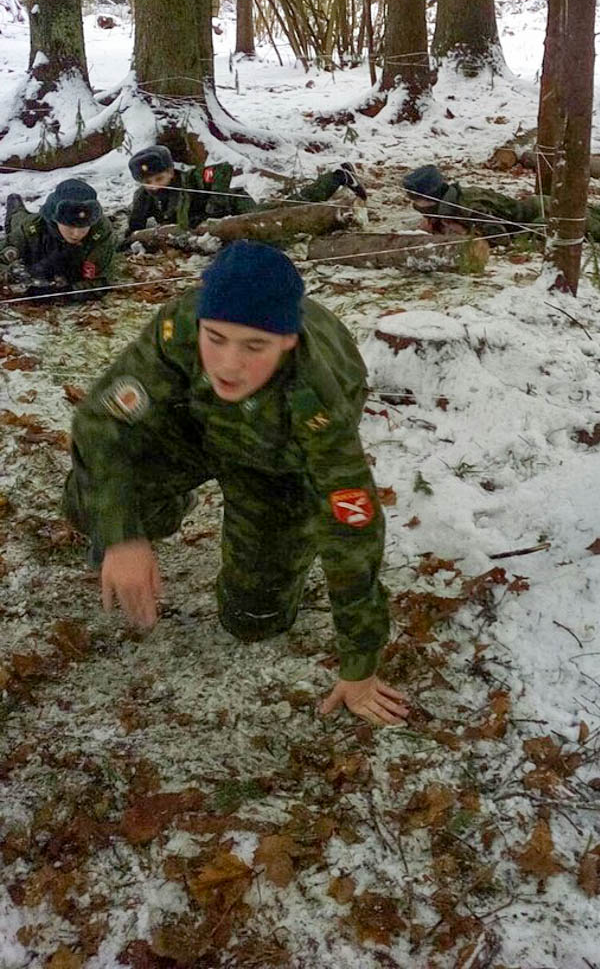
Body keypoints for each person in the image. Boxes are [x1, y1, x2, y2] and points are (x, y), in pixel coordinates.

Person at [62, 241, 407, 726]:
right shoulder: (180, 326)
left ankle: (267, 561)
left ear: (286, 342)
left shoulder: (318, 398)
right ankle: (163, 506)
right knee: (88, 503)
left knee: (254, 621)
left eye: (254, 346)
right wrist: (124, 537)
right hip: (196, 427)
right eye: (217, 338)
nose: (228, 364)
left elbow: (352, 530)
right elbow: (102, 422)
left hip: (276, 466)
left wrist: (359, 666)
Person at [402, 164, 600, 244]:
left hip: (546, 217)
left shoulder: (470, 209)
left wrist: (463, 234)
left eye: (419, 202)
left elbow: (502, 238)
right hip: (539, 209)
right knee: (597, 212)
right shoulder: (456, 199)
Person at [2, 179, 115, 298]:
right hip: (26, 223)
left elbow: (105, 276)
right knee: (17, 218)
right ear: (55, 221)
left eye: (83, 227)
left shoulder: (101, 230)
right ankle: (15, 205)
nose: (76, 234)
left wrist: (67, 291)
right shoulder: (32, 228)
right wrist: (10, 276)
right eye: (70, 226)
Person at [125, 145, 258, 237]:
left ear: (171, 172)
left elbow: (221, 170)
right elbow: (136, 223)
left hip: (232, 207)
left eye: (159, 178)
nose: (154, 185)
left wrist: (213, 210)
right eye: (147, 182)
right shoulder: (144, 195)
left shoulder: (193, 178)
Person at [290, 162, 368, 204]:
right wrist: (364, 198)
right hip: (318, 197)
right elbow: (358, 188)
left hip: (311, 193)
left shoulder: (330, 174)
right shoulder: (344, 174)